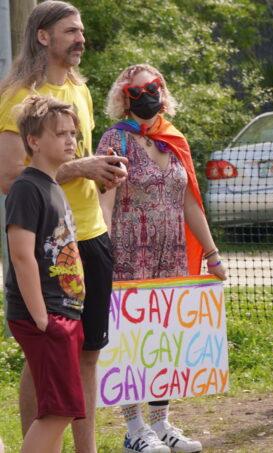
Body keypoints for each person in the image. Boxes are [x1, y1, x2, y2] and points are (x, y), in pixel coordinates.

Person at [0, 2, 128, 451]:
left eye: (82, 31)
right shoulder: (18, 99)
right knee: (42, 358)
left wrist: (105, 175)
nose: (81, 39)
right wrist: (83, 167)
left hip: (91, 237)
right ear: (42, 36)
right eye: (71, 31)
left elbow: (77, 164)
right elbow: (10, 176)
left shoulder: (80, 90)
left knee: (88, 353)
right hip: (46, 249)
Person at [97, 63, 227, 453]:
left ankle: (162, 422)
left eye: (153, 87)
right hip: (128, 254)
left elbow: (191, 203)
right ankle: (135, 428)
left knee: (165, 337)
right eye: (137, 91)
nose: (147, 96)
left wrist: (212, 253)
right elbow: (103, 199)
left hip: (171, 254)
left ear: (164, 90)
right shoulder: (114, 141)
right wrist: (100, 250)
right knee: (132, 341)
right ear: (124, 99)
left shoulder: (173, 141)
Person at [5, 95, 87, 453]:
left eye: (73, 133)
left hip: (63, 313)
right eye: (60, 134)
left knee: (55, 409)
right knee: (60, 411)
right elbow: (22, 256)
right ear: (34, 141)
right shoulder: (27, 188)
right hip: (46, 316)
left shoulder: (54, 186)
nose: (70, 140)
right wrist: (42, 319)